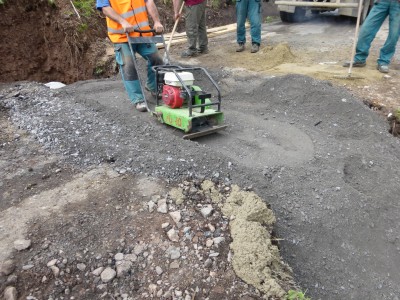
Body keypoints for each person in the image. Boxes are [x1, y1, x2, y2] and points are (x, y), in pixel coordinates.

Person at [96, 0, 164, 112]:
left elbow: (149, 1)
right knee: (129, 64)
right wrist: (123, 21)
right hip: (122, 36)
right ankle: (138, 98)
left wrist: (156, 21)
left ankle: (154, 86)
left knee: (156, 58)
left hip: (142, 33)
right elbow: (105, 8)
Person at [343, 0, 400, 73]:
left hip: (398, 4)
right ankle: (360, 59)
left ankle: (384, 61)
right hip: (381, 2)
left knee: (394, 35)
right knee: (366, 30)